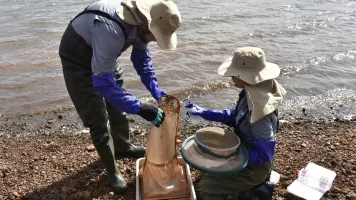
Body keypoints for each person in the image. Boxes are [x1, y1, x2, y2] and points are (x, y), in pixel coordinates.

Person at [58, 0, 181, 194]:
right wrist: (140, 108)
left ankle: (123, 146)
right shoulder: (112, 30)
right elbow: (103, 85)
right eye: (155, 36)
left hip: (105, 55)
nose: (154, 40)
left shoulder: (142, 24)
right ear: (145, 25)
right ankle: (111, 169)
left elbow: (141, 60)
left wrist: (155, 90)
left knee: (118, 108)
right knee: (98, 118)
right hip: (78, 59)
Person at [185, 47, 287, 200]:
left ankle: (249, 190)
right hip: (244, 151)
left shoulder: (260, 113)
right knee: (206, 172)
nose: (231, 77)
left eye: (234, 74)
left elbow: (265, 154)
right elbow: (233, 116)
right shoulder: (250, 91)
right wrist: (203, 112)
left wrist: (230, 155)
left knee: (202, 190)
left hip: (254, 168)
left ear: (245, 77)